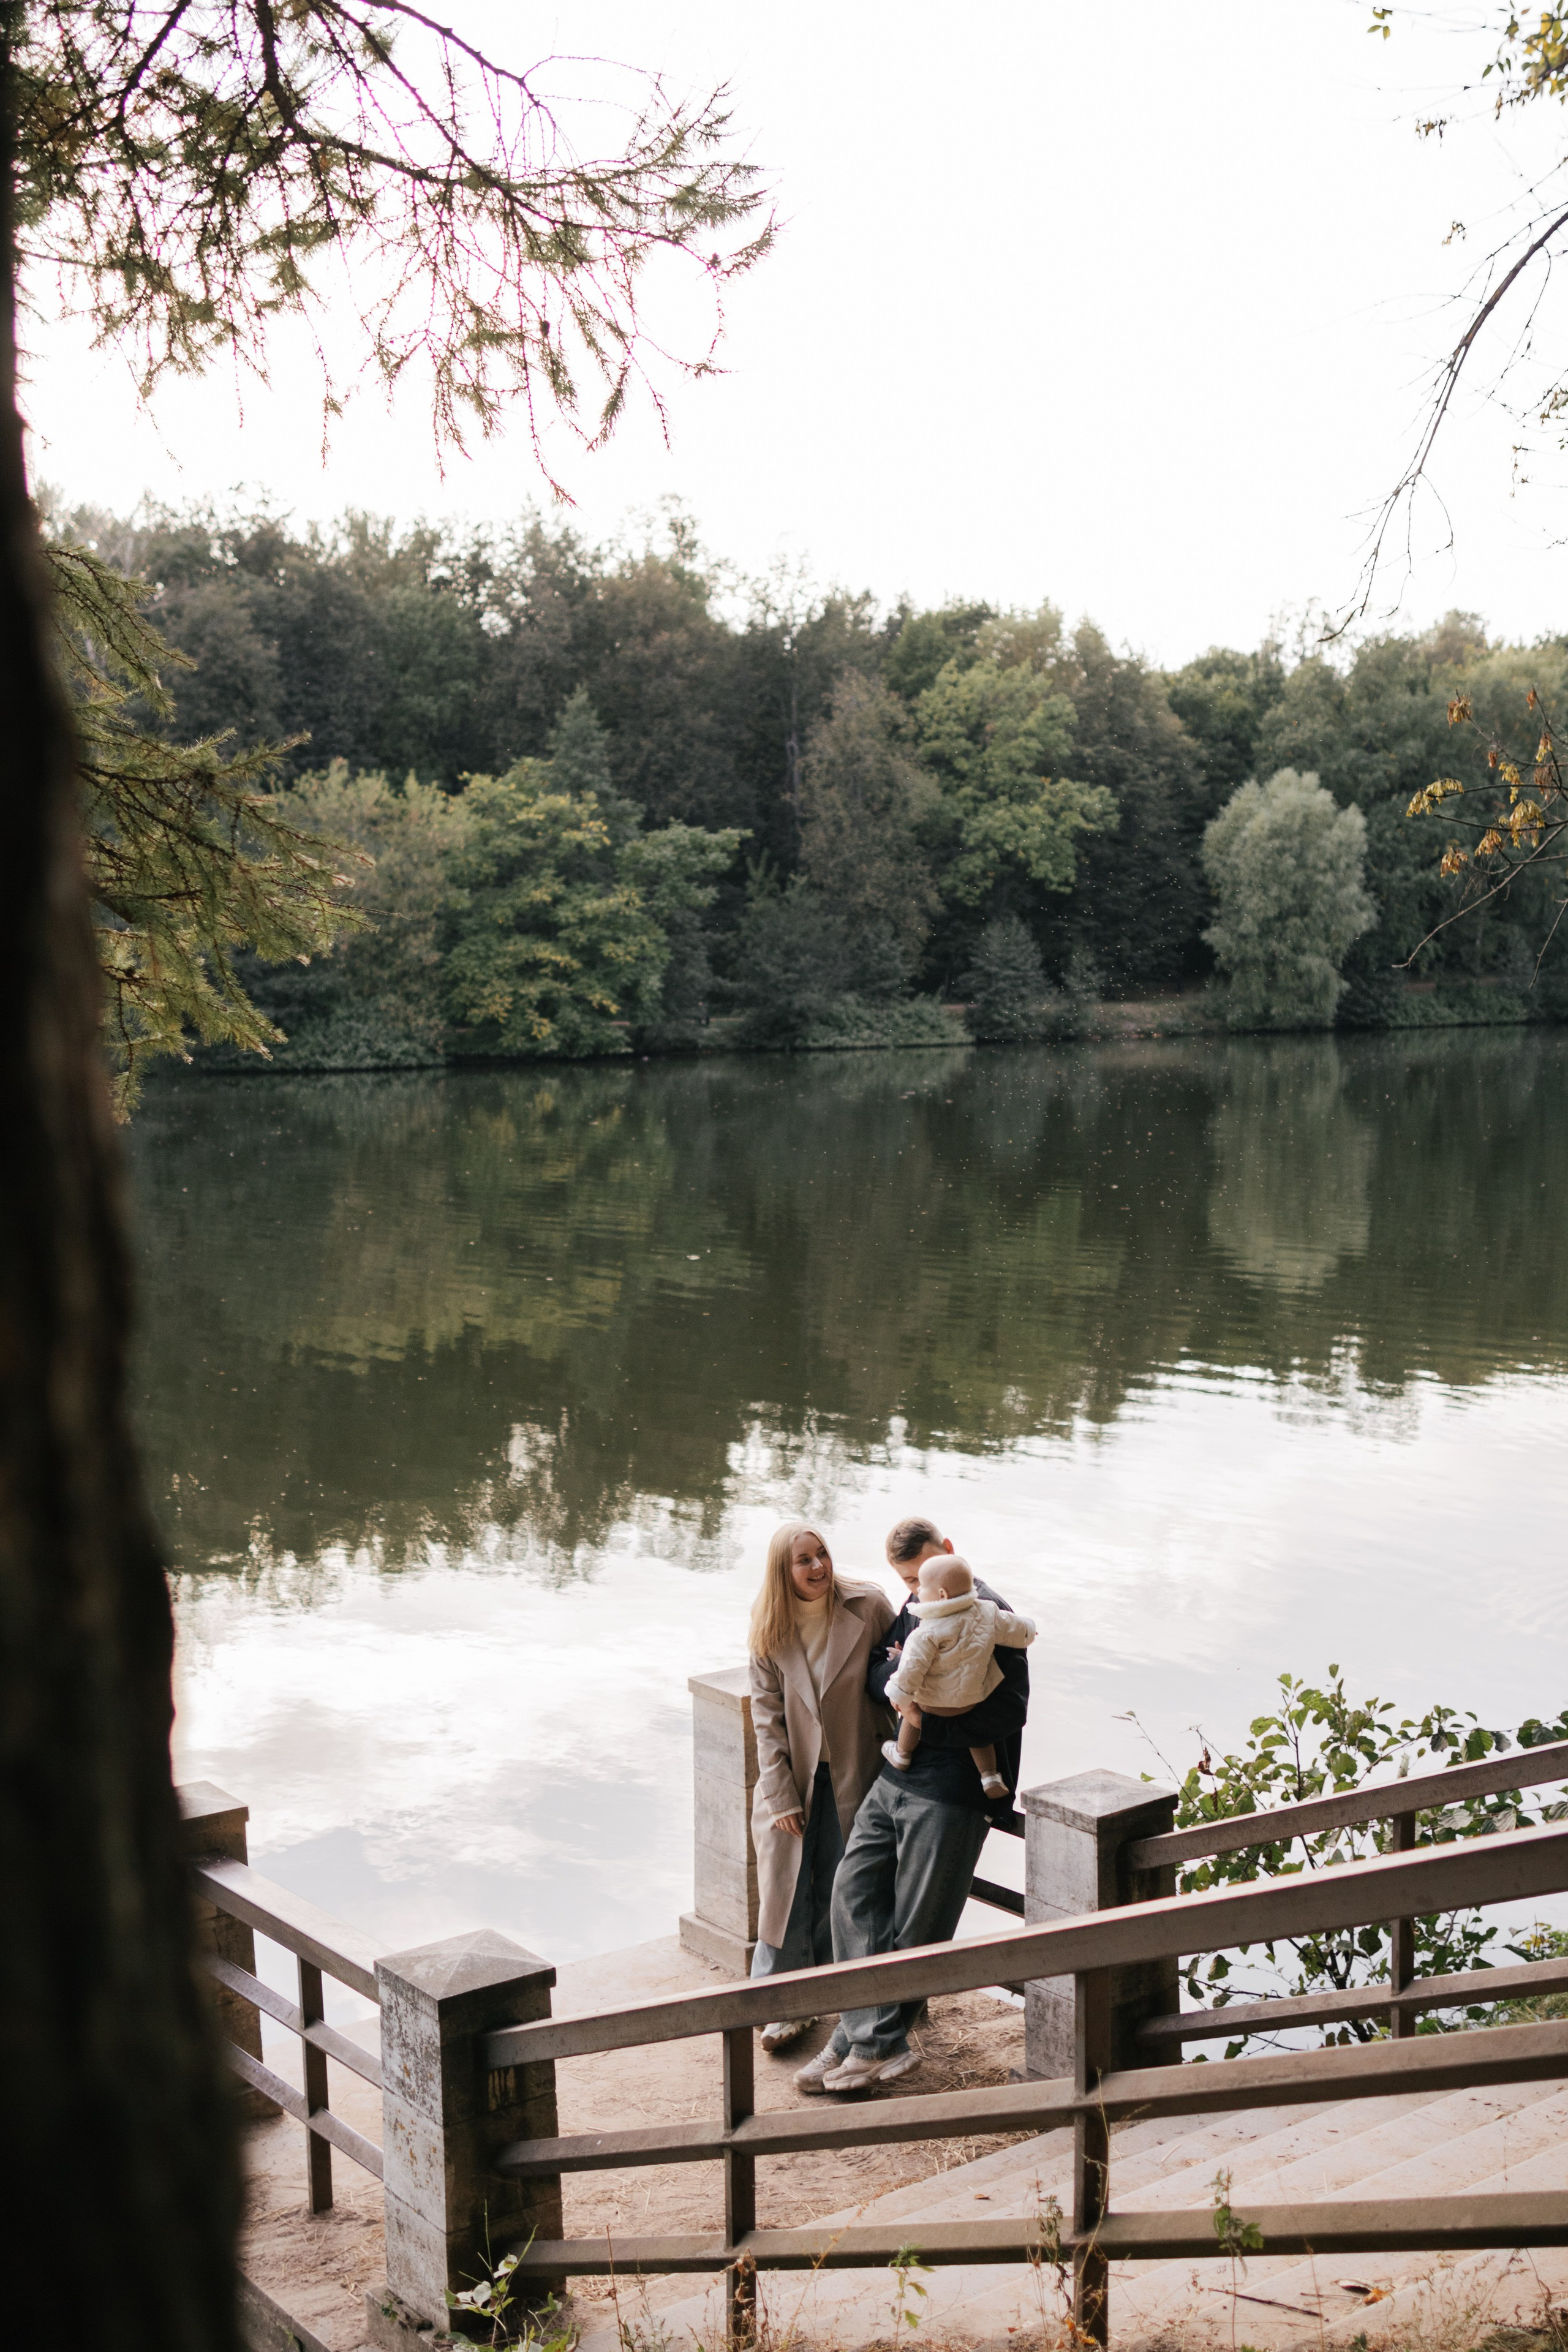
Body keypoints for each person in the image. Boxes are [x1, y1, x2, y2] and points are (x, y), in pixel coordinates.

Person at [795, 1513, 1028, 2095]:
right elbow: (878, 1669)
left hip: (952, 1793)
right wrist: (907, 1681)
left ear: (947, 1551)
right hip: (894, 1777)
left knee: (917, 1927)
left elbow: (1007, 1711)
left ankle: (861, 2045)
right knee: (853, 1894)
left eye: (919, 1576)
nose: (913, 1592)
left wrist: (925, 1707)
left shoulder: (984, 1613)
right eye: (905, 1583)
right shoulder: (923, 1597)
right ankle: (863, 2038)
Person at [747, 1521, 895, 2054]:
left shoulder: (870, 1607)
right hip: (796, 1781)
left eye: (822, 1555)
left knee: (845, 1887)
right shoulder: (770, 1628)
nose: (817, 1568)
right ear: (782, 1572)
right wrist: (781, 1795)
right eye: (803, 1560)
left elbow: (901, 1678)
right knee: (787, 1891)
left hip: (858, 1773)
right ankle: (783, 2005)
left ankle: (852, 1999)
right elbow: (766, 1720)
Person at [881, 1552, 1036, 1798]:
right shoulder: (988, 1612)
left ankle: (901, 1754)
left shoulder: (928, 1630)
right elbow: (1014, 1629)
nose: (918, 1590)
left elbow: (912, 1667)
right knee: (978, 1738)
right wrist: (1030, 1630)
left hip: (933, 1705)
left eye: (921, 1585)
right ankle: (990, 1775)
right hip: (970, 1702)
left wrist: (899, 1694)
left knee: (912, 1716)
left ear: (941, 1595)